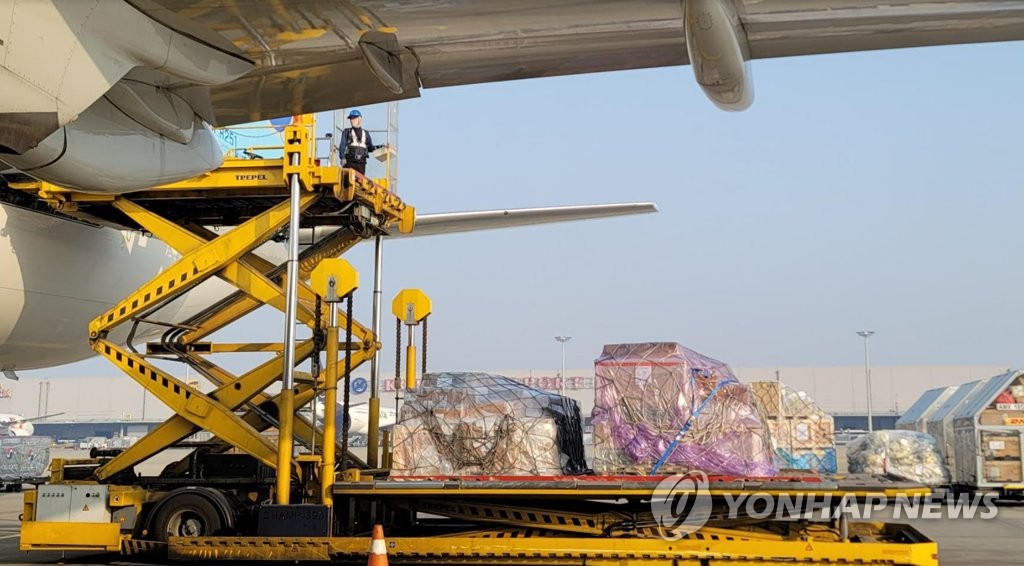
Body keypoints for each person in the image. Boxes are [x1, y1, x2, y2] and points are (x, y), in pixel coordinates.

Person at [339, 109, 380, 176]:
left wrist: (380, 147)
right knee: (347, 182)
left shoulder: (366, 133)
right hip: (350, 162)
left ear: (360, 119)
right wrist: (342, 157)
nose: (352, 121)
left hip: (361, 164)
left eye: (354, 118)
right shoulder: (347, 132)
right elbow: (342, 145)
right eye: (351, 119)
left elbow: (371, 148)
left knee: (360, 184)